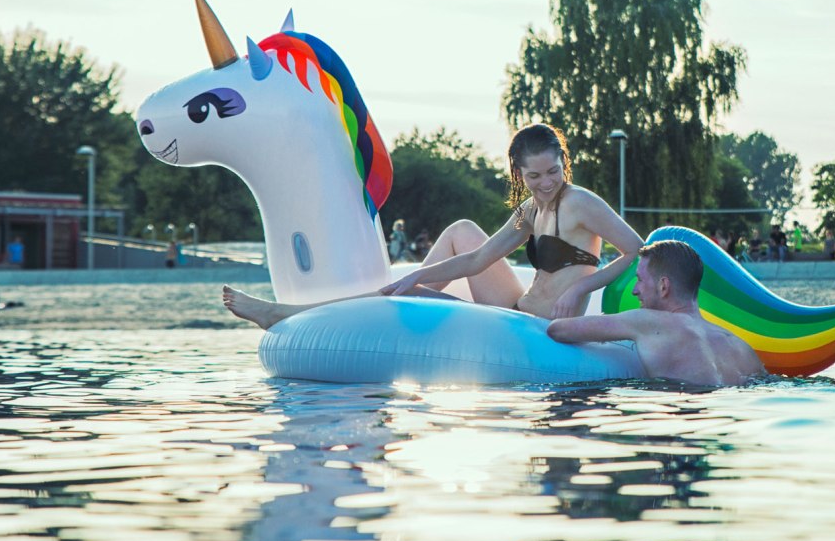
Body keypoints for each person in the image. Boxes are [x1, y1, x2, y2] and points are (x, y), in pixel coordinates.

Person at [223, 123, 643, 327]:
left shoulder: (582, 203)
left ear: (562, 163)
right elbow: (478, 258)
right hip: (518, 309)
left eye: (553, 171)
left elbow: (635, 249)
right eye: (534, 177)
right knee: (460, 232)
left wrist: (583, 288)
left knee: (410, 293)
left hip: (539, 326)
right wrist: (420, 274)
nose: (546, 183)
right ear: (519, 175)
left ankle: (283, 314)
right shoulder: (530, 211)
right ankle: (405, 294)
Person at [546, 239, 764, 387]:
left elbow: (557, 330)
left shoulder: (648, 322)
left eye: (639, 279)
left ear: (663, 286)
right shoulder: (740, 346)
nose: (634, 290)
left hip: (676, 426)